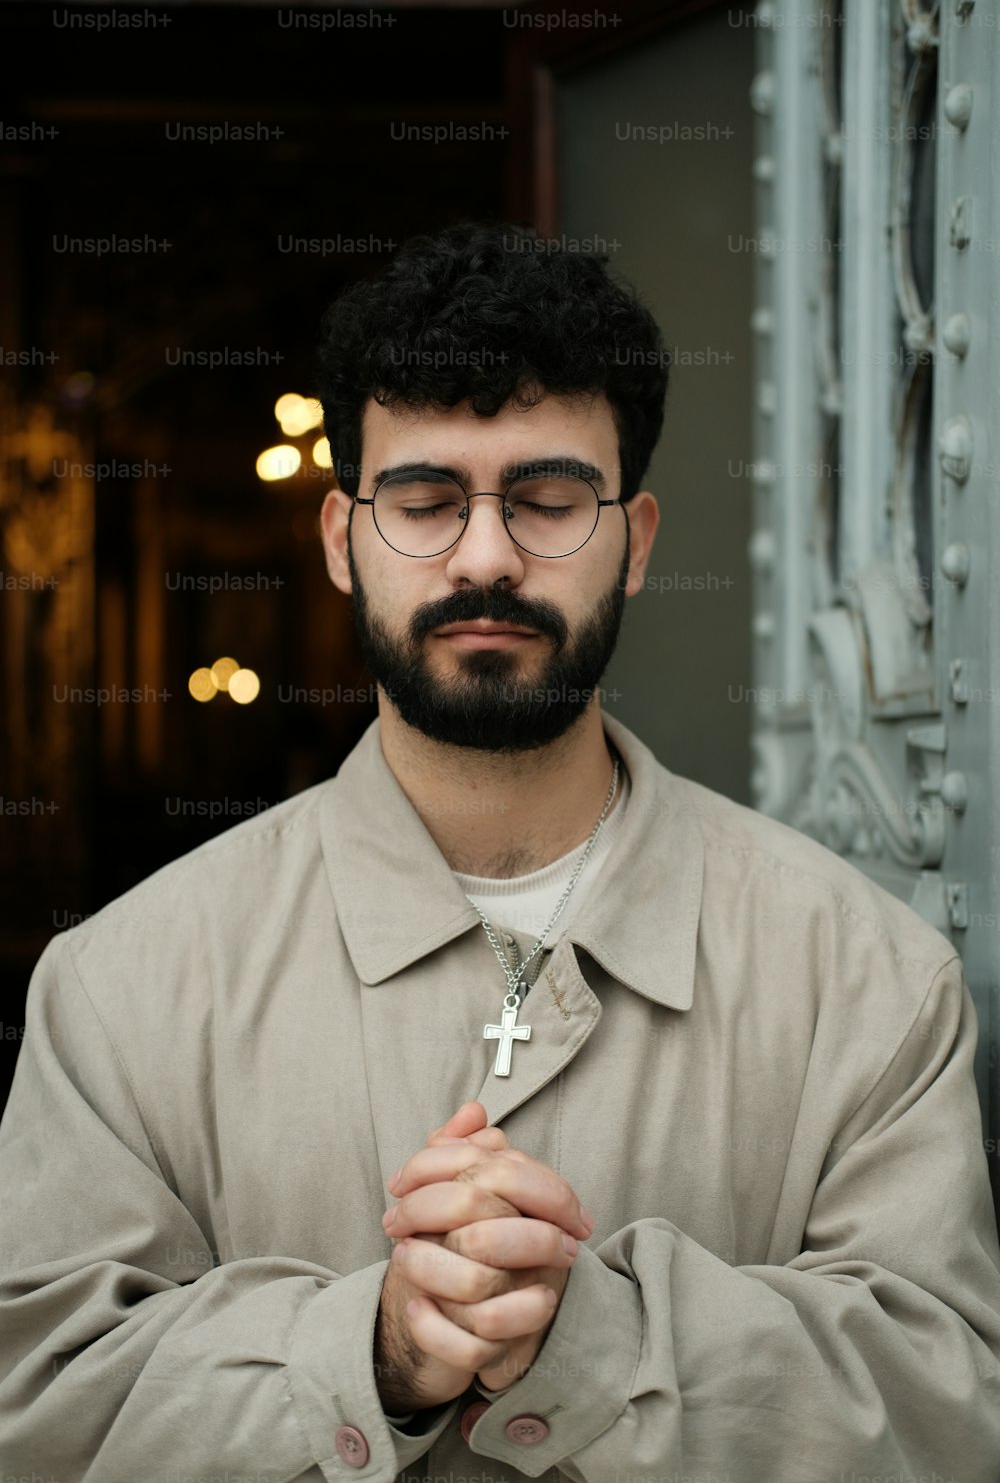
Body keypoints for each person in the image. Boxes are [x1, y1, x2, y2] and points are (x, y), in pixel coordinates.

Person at [1, 222, 998, 1482]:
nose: (485, 556)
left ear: (633, 541)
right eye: (422, 502)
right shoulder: (119, 987)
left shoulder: (867, 979)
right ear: (338, 538)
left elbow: (950, 1416)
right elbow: (35, 1414)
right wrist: (366, 1350)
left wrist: (590, 1340)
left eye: (546, 500)